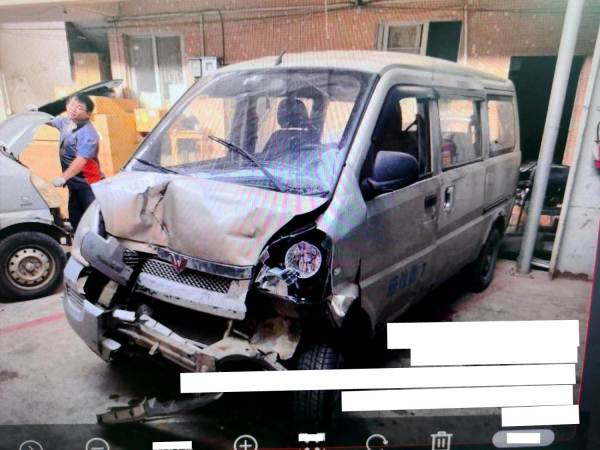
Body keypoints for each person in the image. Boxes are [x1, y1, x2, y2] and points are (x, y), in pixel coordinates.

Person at [47, 93, 103, 231]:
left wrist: (63, 177)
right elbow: (49, 120)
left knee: (93, 221)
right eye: (72, 104)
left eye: (79, 108)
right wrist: (35, 113)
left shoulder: (88, 133)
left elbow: (82, 160)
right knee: (76, 219)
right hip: (74, 185)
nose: (73, 109)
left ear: (88, 114)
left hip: (88, 185)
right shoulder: (66, 122)